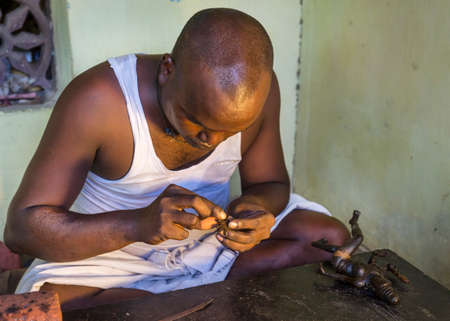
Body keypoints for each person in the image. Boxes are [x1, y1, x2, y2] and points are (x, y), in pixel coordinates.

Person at [4, 8, 349, 310]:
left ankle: (177, 300)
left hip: (208, 244)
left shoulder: (258, 92)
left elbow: (270, 184)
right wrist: (138, 224)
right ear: (168, 69)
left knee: (329, 240)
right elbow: (21, 230)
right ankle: (197, 299)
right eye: (196, 121)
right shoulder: (99, 100)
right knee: (43, 305)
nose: (211, 141)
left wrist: (255, 210)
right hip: (106, 259)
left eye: (232, 131)